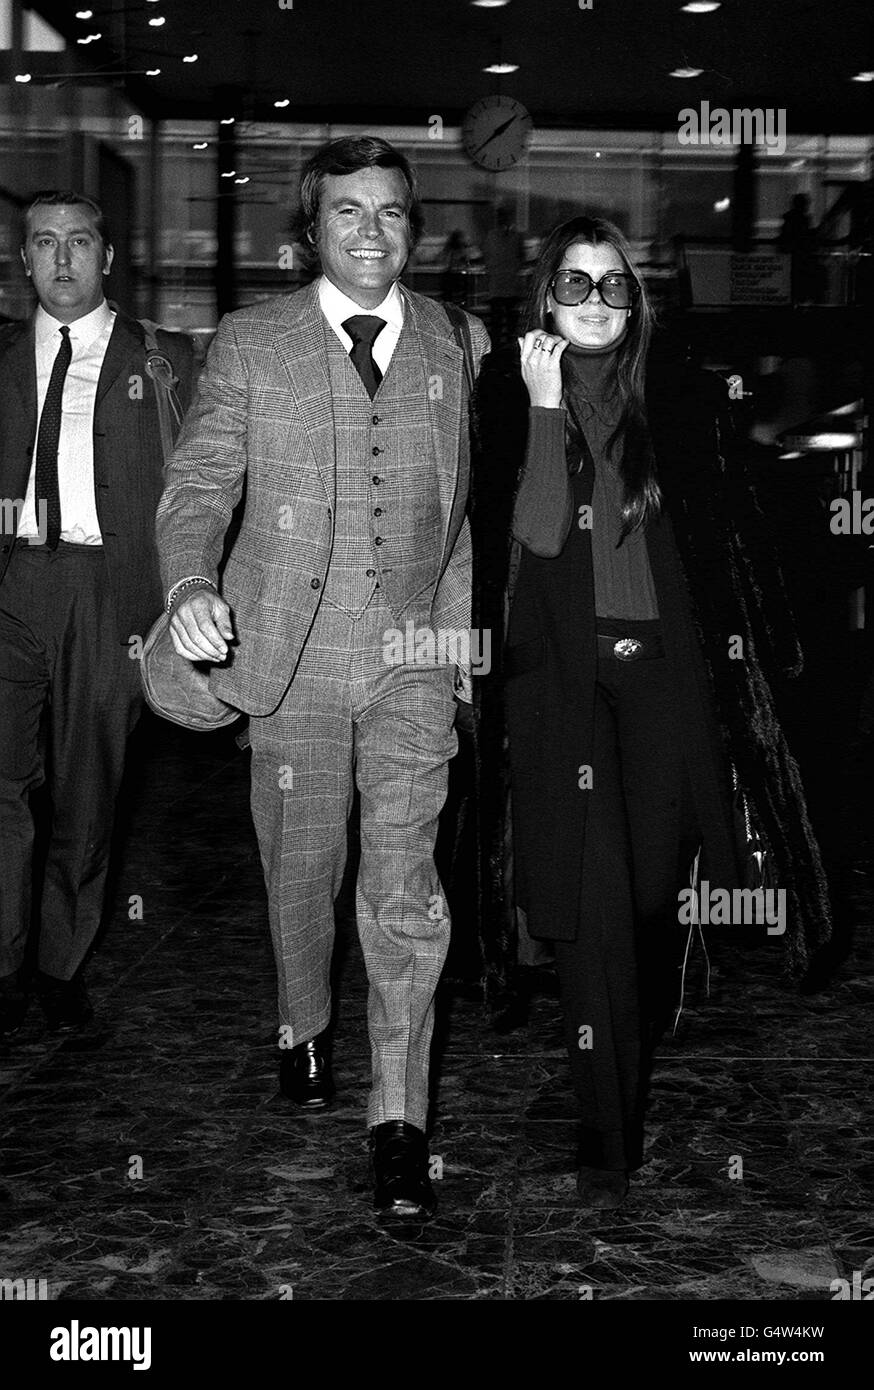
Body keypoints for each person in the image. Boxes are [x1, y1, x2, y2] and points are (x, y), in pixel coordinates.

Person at [156, 136, 489, 1220]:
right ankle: (302, 1021)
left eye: (390, 211)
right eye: (348, 211)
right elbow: (200, 479)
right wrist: (190, 583)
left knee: (403, 893)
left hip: (407, 663)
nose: (370, 230)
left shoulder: (449, 340)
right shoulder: (252, 341)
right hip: (287, 659)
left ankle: (399, 1120)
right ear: (312, 227)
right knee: (302, 878)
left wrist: (454, 661)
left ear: (411, 225)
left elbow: (457, 519)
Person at [472, 215, 832, 1208]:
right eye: (575, 285)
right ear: (545, 299)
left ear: (634, 301)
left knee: (643, 901)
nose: (595, 303)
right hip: (561, 687)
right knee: (591, 907)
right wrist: (545, 406)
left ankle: (621, 1047)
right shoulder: (507, 398)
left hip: (665, 684)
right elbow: (539, 532)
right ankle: (607, 1122)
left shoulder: (676, 396)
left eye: (612, 286)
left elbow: (735, 550)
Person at [0, 190, 196, 1038]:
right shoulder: (3, 359)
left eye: (80, 241)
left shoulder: (163, 360)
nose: (64, 259)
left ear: (108, 257)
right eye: (45, 243)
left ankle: (60, 966)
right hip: (11, 585)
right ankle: (4, 966)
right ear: (24, 261)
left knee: (87, 792)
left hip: (110, 591)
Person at [483, 204, 526, 348]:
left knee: (497, 322)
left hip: (497, 285)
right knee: (510, 322)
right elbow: (521, 257)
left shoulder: (491, 236)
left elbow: (487, 257)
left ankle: (496, 350)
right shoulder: (516, 237)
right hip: (509, 284)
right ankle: (508, 347)